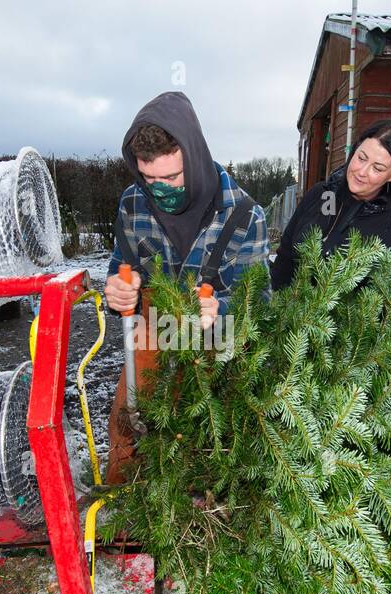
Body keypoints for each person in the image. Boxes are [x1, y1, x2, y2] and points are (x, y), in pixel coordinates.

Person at [103, 91, 269, 483]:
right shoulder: (132, 204)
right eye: (149, 178)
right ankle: (120, 510)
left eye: (171, 177)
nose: (160, 188)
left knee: (207, 436)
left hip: (217, 341)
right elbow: (120, 268)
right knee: (129, 421)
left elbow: (260, 302)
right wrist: (119, 291)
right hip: (152, 330)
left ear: (193, 159)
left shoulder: (244, 215)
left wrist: (222, 310)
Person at [270, 119, 391, 291]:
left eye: (377, 168)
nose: (362, 172)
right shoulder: (323, 195)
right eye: (361, 158)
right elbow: (285, 258)